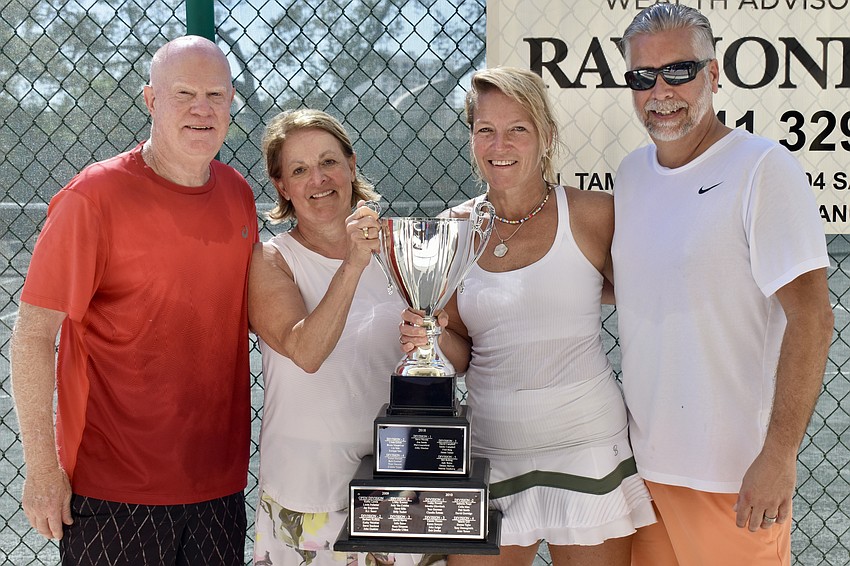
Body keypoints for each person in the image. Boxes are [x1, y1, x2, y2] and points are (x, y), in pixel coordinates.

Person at [9, 36, 258, 564]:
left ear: (232, 103)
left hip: (218, 489)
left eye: (216, 94)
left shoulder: (238, 194)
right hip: (112, 493)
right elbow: (32, 336)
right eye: (184, 93)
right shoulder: (93, 198)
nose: (202, 108)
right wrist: (42, 467)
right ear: (150, 100)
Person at [400, 67, 655, 566]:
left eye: (518, 128)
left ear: (546, 135)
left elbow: (643, 296)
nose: (501, 144)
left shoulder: (594, 213)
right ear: (471, 137)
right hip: (491, 450)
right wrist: (428, 337)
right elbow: (460, 355)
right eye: (485, 130)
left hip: (588, 445)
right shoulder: (450, 230)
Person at [613, 4, 834, 565]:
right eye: (643, 76)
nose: (660, 90)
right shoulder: (632, 175)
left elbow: (813, 316)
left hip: (732, 480)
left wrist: (780, 454)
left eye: (679, 71)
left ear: (713, 74)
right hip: (643, 472)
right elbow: (640, 284)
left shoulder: (763, 168)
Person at [249, 108, 445, 566]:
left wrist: (436, 334)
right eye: (299, 170)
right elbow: (305, 350)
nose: (318, 179)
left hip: (398, 487)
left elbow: (455, 353)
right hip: (309, 494)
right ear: (282, 186)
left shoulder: (400, 249)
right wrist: (354, 263)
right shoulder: (272, 259)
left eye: (329, 162)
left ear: (352, 165)